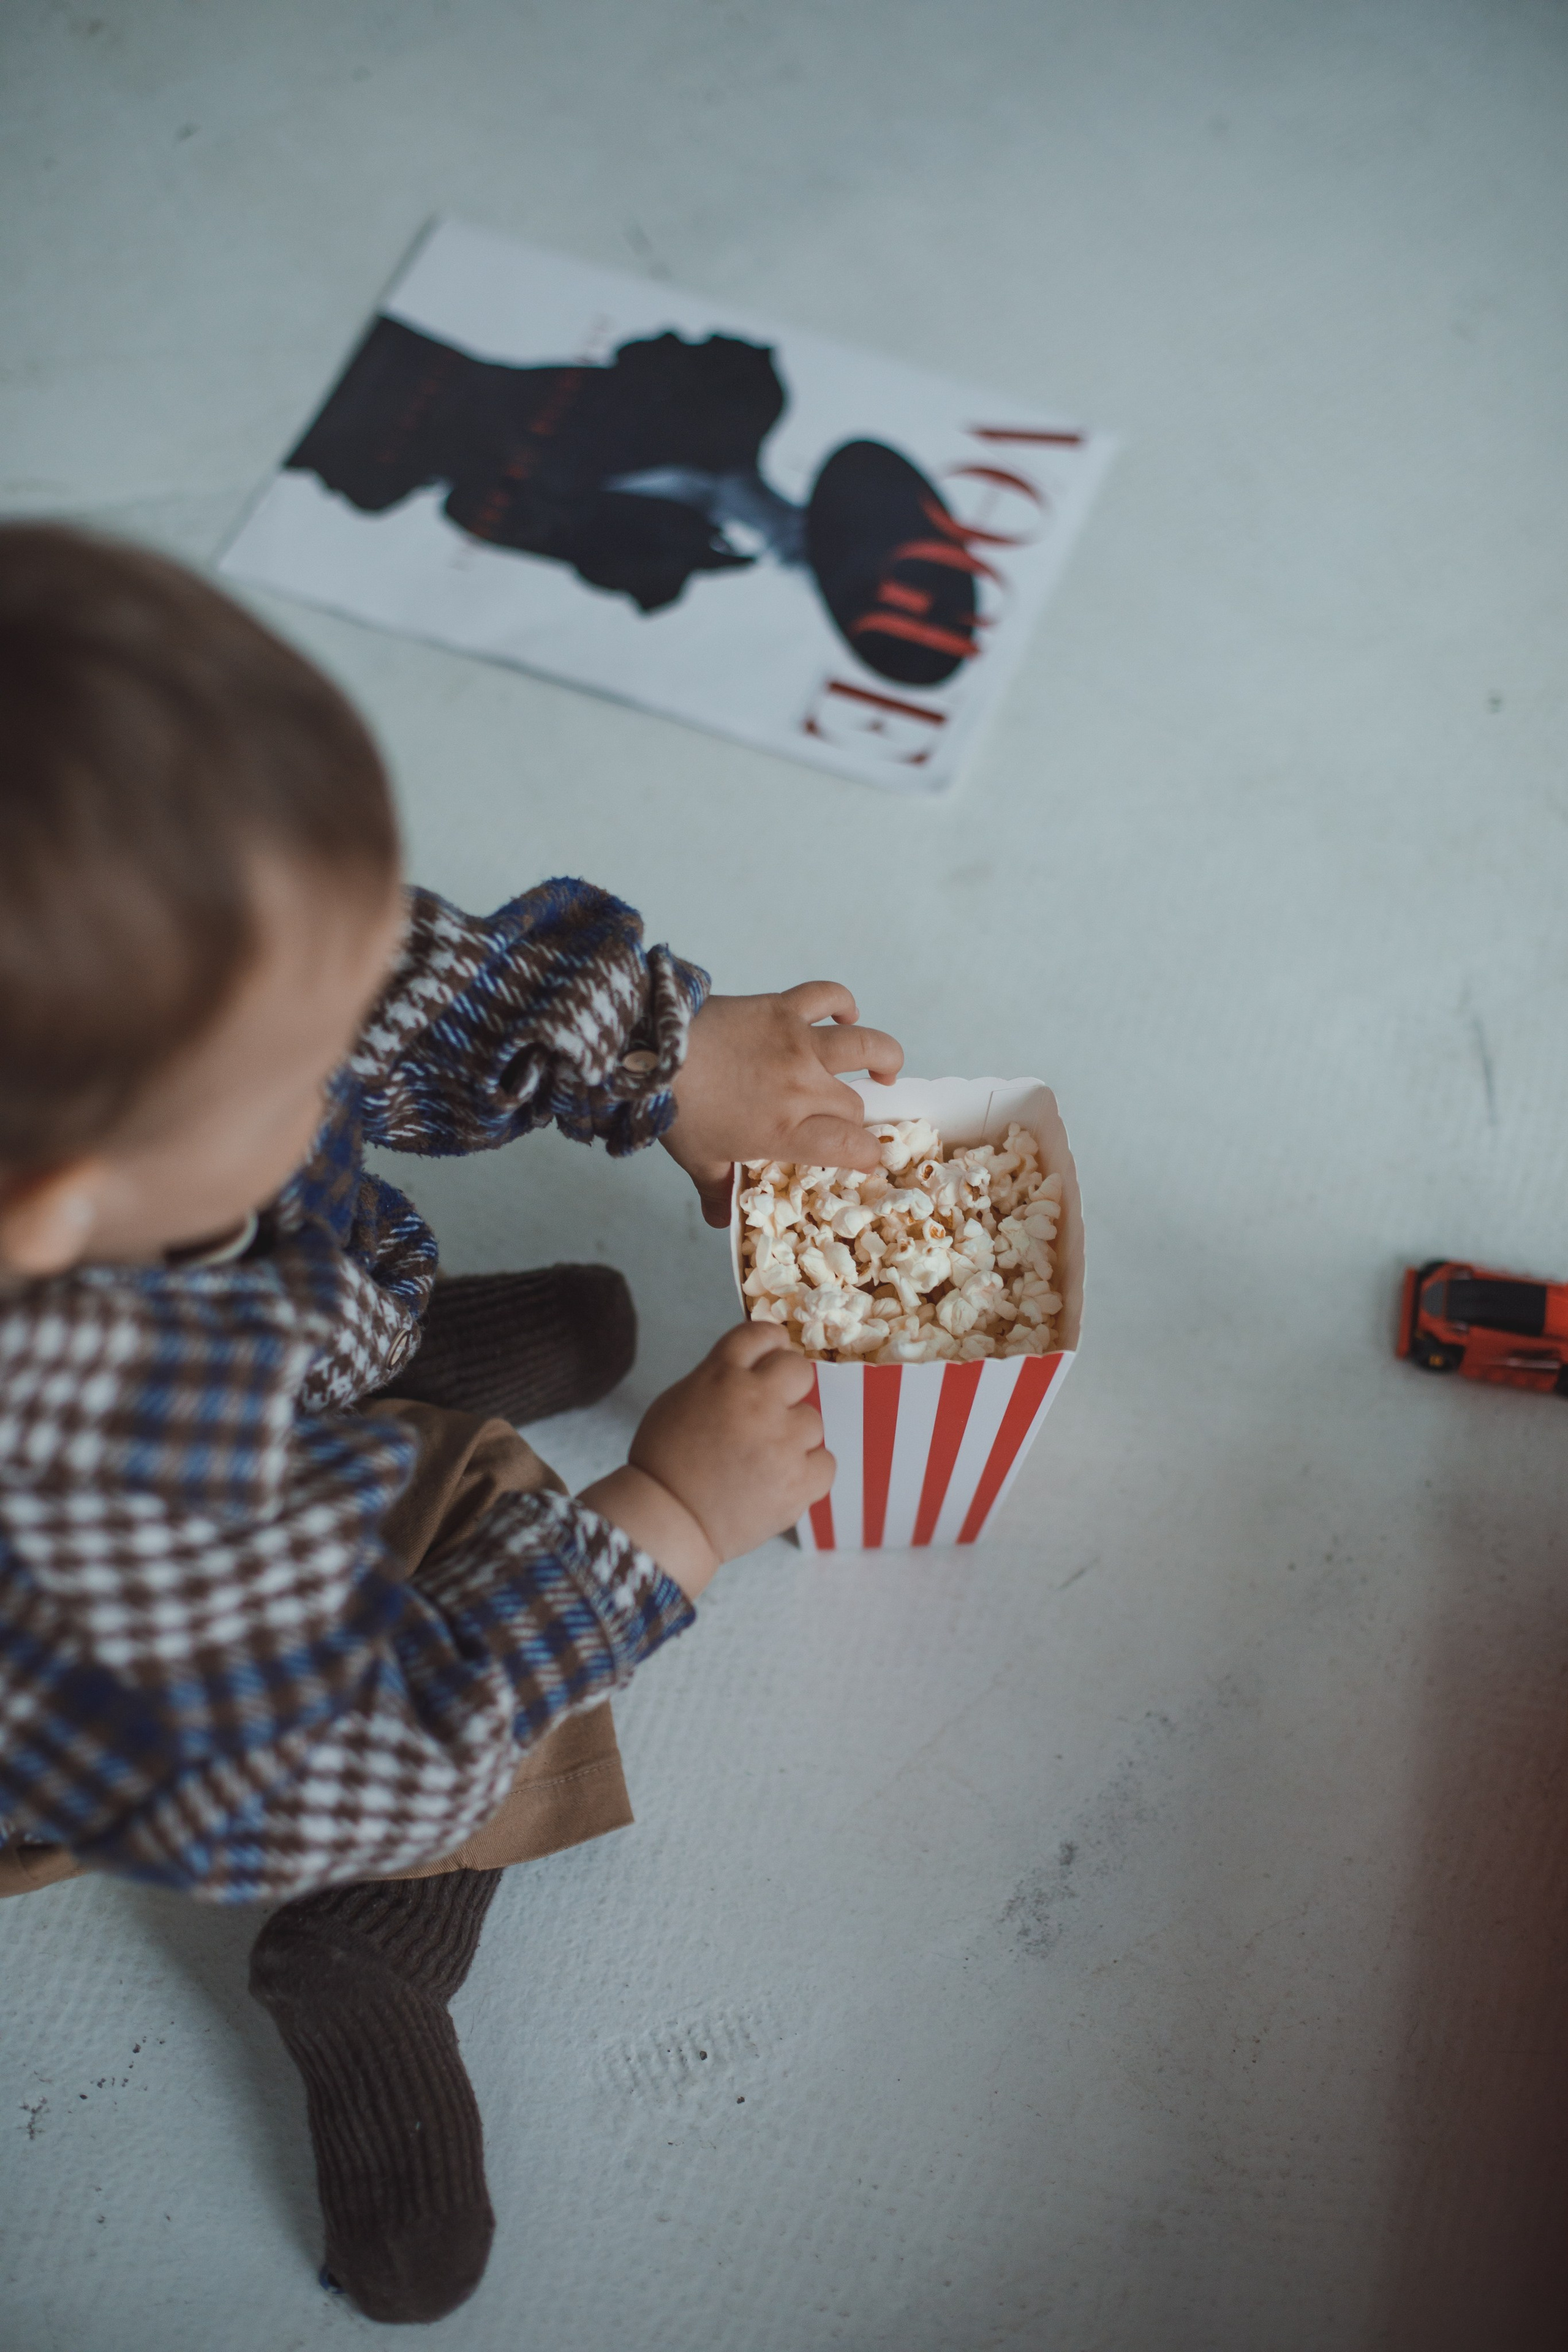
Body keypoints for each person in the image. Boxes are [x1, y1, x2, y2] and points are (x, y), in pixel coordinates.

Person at [0, 524, 902, 2324]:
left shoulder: (110, 1028)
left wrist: (661, 1051)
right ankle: (383, 1952)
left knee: (359, 1253)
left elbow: (353, 967)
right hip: (203, 1747)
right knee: (485, 1509)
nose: (333, 1036)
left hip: (213, 1393)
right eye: (286, 1066)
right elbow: (292, 1771)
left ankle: (381, 1336)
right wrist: (669, 1516)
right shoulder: (101, 1460)